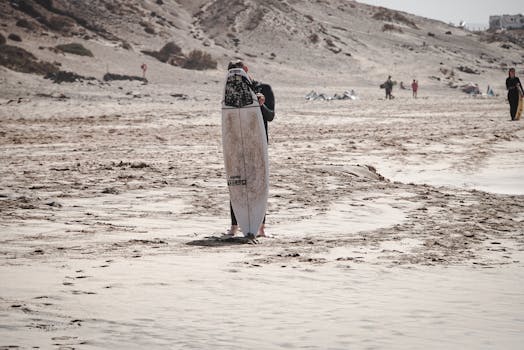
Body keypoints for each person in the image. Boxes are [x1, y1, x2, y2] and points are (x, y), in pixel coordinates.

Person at [226, 60, 275, 237]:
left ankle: (261, 227)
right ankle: (234, 226)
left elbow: (270, 117)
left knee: (259, 183)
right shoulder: (229, 94)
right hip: (236, 144)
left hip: (258, 145)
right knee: (236, 181)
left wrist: (261, 104)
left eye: (237, 71)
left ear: (246, 70)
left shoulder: (265, 88)